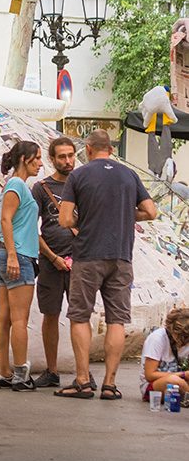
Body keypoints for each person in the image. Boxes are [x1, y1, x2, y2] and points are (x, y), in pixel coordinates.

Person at [55, 129, 157, 401]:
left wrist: (87, 218)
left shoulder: (79, 175)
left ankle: (83, 381)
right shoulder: (129, 175)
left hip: (88, 256)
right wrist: (123, 214)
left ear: (88, 149)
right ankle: (110, 385)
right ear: (111, 149)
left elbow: (65, 220)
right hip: (122, 256)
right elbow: (151, 211)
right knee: (117, 320)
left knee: (80, 315)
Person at [31, 137, 81, 390]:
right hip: (51, 262)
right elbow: (32, 227)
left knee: (79, 317)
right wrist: (52, 257)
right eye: (62, 156)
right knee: (50, 314)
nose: (67, 161)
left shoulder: (83, 184)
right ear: (53, 159)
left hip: (80, 263)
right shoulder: (41, 188)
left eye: (70, 155)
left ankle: (83, 372)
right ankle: (51, 371)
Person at [0, 141, 42, 392]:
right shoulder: (17, 185)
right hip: (18, 256)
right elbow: (5, 219)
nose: (40, 164)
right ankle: (21, 373)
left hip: (8, 255)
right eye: (36, 159)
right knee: (19, 319)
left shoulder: (12, 186)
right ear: (23, 159)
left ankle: (4, 372)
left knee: (5, 317)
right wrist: (13, 254)